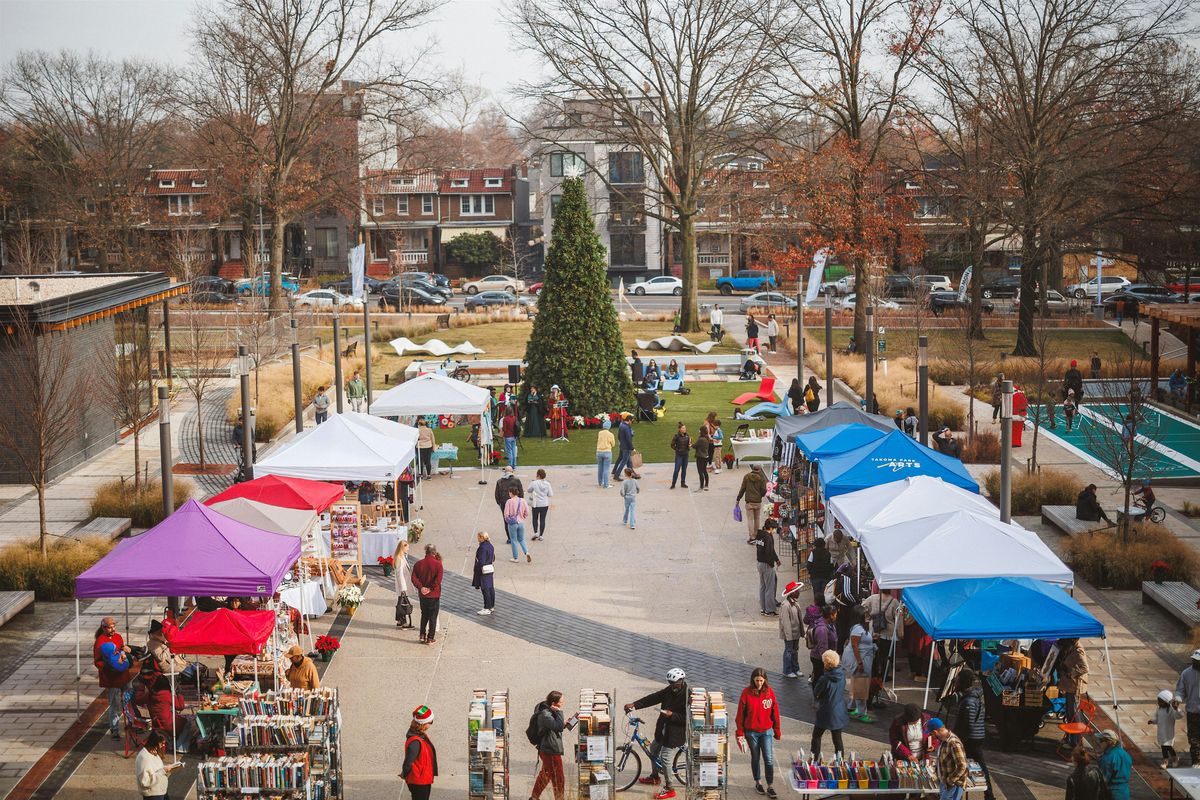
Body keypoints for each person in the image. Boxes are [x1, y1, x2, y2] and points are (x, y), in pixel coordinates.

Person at [624, 669, 689, 800]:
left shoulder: (688, 696)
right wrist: (635, 705)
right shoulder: (669, 690)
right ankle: (655, 777)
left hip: (675, 734)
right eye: (670, 683)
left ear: (681, 681)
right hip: (663, 731)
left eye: (674, 683)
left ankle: (670, 788)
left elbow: (688, 718)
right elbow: (653, 698)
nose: (672, 686)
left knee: (665, 758)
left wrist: (672, 715)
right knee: (653, 749)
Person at [736, 667, 782, 798]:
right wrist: (740, 733)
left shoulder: (770, 693)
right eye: (757, 680)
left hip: (766, 731)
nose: (759, 683)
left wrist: (777, 730)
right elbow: (740, 715)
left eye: (761, 680)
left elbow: (775, 712)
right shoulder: (746, 693)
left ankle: (770, 785)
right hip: (751, 732)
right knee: (755, 758)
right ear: (753, 680)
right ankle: (758, 782)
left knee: (768, 758)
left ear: (765, 680)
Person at [952, 669, 992, 800]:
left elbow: (968, 725)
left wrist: (960, 741)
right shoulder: (974, 697)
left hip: (972, 740)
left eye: (957, 680)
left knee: (960, 766)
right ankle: (989, 795)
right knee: (980, 766)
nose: (955, 682)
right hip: (976, 737)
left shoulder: (969, 701)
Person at [134, 665, 193, 753]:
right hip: (168, 724)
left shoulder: (149, 694)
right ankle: (180, 746)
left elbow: (138, 700)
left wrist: (141, 688)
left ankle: (174, 741)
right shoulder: (166, 695)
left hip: (156, 723)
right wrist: (179, 695)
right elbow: (180, 707)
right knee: (187, 723)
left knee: (177, 717)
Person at [531, 691, 577, 800]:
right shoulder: (545, 714)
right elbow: (558, 727)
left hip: (548, 748)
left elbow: (557, 726)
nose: (563, 703)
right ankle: (559, 798)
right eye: (561, 702)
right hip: (550, 750)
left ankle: (533, 797)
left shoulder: (549, 711)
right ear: (554, 703)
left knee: (546, 775)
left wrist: (563, 723)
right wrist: (559, 713)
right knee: (559, 778)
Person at [95, 617, 135, 739]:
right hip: (111, 679)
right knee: (114, 704)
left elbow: (121, 649)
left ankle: (132, 723)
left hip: (124, 675)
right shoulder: (100, 642)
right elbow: (97, 662)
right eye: (110, 627)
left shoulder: (118, 637)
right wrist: (109, 666)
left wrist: (124, 652)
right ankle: (115, 729)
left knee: (129, 699)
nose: (113, 629)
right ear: (104, 628)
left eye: (114, 626)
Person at [864, 589, 902, 710]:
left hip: (874, 631)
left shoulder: (872, 598)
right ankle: (880, 680)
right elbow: (899, 619)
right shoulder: (895, 602)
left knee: (874, 658)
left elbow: (862, 608)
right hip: (888, 634)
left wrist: (869, 618)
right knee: (885, 658)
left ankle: (874, 677)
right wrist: (900, 634)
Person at [811, 650, 848, 759]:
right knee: (837, 739)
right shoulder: (842, 675)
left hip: (826, 710)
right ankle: (840, 761)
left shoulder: (824, 679)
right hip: (839, 710)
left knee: (816, 736)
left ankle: (814, 759)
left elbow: (816, 693)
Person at [842, 606, 875, 722]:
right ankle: (862, 714)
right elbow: (855, 646)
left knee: (856, 684)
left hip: (863, 658)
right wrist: (860, 662)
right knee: (861, 685)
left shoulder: (859, 627)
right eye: (864, 613)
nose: (866, 615)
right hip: (860, 660)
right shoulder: (857, 629)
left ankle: (851, 707)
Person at [400, 705, 438, 800]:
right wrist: (404, 774)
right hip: (419, 782)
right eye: (430, 722)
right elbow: (407, 763)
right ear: (423, 724)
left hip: (424, 779)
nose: (431, 724)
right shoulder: (415, 742)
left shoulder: (420, 735)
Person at [1057, 637, 1089, 748]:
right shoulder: (1072, 646)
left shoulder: (1078, 649)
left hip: (1074, 686)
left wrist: (1072, 673)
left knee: (1074, 713)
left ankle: (1077, 742)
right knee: (1070, 713)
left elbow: (1085, 667)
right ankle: (1072, 739)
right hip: (1070, 686)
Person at [928, 718, 970, 800]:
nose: (931, 736)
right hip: (946, 783)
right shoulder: (943, 740)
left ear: (935, 732)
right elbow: (946, 755)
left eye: (931, 734)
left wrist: (949, 781)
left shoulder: (953, 743)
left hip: (953, 785)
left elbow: (962, 765)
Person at [412, 543, 444, 644]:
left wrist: (421, 587)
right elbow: (438, 581)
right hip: (434, 595)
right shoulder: (438, 564)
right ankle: (430, 638)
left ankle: (422, 635)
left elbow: (413, 578)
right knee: (433, 617)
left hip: (423, 595)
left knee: (424, 615)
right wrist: (431, 589)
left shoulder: (418, 564)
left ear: (426, 551)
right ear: (434, 552)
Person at [135, 731, 182, 800]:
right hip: (153, 794)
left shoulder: (154, 752)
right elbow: (145, 782)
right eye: (162, 743)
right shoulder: (143, 758)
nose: (163, 745)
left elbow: (156, 769)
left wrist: (169, 768)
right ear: (155, 742)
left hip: (160, 791)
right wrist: (163, 770)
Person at [1174, 648, 1200, 765]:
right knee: (1194, 739)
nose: (1195, 663)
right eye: (1194, 660)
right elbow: (1180, 690)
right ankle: (1196, 762)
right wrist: (1178, 699)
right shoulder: (1186, 673)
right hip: (1193, 712)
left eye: (1197, 661)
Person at [752, 519, 782, 615]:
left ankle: (763, 608)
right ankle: (769, 610)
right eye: (774, 529)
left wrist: (776, 559)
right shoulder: (768, 537)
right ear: (770, 528)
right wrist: (772, 564)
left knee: (763, 586)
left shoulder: (760, 534)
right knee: (770, 587)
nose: (775, 531)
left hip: (759, 563)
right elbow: (769, 552)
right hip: (766, 564)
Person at [1095, 729, 1132, 800]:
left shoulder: (1107, 759)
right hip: (1124, 793)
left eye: (1101, 740)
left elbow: (1103, 781)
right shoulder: (1125, 754)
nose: (1099, 743)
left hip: (1111, 794)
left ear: (1109, 742)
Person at [1152, 689, 1184, 767]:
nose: (1158, 703)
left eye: (1160, 701)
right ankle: (1165, 761)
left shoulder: (1171, 710)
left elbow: (1180, 715)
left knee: (1169, 747)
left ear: (1166, 701)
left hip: (1168, 733)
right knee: (1163, 747)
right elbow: (1157, 718)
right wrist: (1153, 721)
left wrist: (1176, 709)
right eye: (1158, 701)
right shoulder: (1159, 709)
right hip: (1161, 732)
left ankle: (1175, 758)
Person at [779, 581, 805, 679]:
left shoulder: (795, 603)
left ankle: (795, 668)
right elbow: (785, 623)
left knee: (795, 651)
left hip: (796, 633)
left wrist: (801, 632)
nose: (799, 592)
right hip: (790, 634)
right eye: (797, 591)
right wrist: (789, 636)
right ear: (793, 592)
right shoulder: (786, 605)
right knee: (789, 651)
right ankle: (787, 670)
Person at [736, 465, 767, 540]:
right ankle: (756, 535)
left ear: (752, 469)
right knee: (757, 519)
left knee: (750, 520)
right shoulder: (762, 478)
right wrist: (761, 495)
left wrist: (738, 499)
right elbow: (764, 490)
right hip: (757, 502)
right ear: (759, 470)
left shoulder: (746, 476)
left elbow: (742, 489)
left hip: (749, 502)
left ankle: (751, 537)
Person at [494, 467, 523, 542]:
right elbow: (521, 492)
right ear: (512, 472)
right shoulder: (516, 480)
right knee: (517, 518)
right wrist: (521, 501)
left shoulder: (499, 481)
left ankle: (510, 538)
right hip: (516, 503)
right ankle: (516, 536)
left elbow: (496, 494)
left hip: (504, 503)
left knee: (507, 520)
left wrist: (499, 503)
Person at [504, 486, 532, 563]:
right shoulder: (523, 500)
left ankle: (515, 558)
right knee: (522, 539)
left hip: (513, 523)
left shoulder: (509, 501)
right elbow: (527, 512)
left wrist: (508, 521)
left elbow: (506, 514)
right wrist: (523, 517)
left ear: (511, 493)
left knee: (513, 540)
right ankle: (527, 552)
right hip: (521, 522)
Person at [472, 532, 496, 616]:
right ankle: (491, 606)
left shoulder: (482, 548)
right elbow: (493, 558)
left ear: (482, 538)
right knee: (490, 588)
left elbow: (481, 560)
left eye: (478, 537)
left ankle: (487, 607)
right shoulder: (490, 546)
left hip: (483, 570)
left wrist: (477, 568)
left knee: (485, 589)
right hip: (490, 569)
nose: (477, 539)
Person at [806, 538, 835, 604]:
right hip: (825, 577)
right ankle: (823, 606)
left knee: (816, 592)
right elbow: (831, 566)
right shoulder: (828, 553)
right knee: (824, 593)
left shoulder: (813, 552)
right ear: (824, 545)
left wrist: (810, 572)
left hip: (815, 576)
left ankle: (817, 606)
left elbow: (809, 564)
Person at [393, 539, 414, 629]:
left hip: (404, 584)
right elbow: (399, 574)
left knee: (400, 603)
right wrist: (403, 588)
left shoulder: (402, 557)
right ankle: (403, 622)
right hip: (403, 585)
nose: (408, 549)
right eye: (407, 547)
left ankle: (399, 620)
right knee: (403, 604)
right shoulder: (399, 558)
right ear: (403, 547)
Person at [528, 469, 554, 540]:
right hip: (544, 504)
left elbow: (528, 490)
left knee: (535, 518)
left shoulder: (534, 483)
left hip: (536, 504)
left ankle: (536, 532)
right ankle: (541, 535)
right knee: (542, 519)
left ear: (538, 475)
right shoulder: (548, 484)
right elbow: (550, 494)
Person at [613, 413, 635, 479]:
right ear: (629, 420)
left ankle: (631, 474)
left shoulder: (621, 425)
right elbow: (628, 439)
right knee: (624, 462)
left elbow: (619, 436)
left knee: (629, 462)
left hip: (622, 446)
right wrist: (632, 448)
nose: (632, 422)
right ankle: (616, 475)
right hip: (626, 448)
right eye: (632, 421)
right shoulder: (627, 427)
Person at [669, 422, 691, 489]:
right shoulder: (676, 436)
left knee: (684, 470)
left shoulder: (687, 436)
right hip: (679, 455)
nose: (685, 429)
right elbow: (672, 445)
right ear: (680, 429)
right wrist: (677, 449)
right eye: (683, 428)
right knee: (676, 470)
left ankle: (683, 483)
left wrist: (689, 446)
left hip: (686, 455)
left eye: (685, 428)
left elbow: (689, 444)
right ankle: (673, 484)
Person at [596, 418, 615, 488]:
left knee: (600, 468)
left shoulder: (599, 433)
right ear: (609, 427)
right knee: (606, 469)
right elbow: (613, 444)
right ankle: (606, 485)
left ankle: (600, 482)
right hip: (607, 452)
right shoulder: (611, 434)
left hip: (599, 452)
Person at [694, 427, 712, 491]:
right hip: (706, 457)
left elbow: (695, 446)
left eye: (700, 430)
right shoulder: (706, 438)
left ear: (702, 431)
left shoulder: (701, 439)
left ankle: (701, 486)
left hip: (700, 457)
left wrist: (690, 444)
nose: (699, 431)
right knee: (704, 471)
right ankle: (706, 485)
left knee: (700, 472)